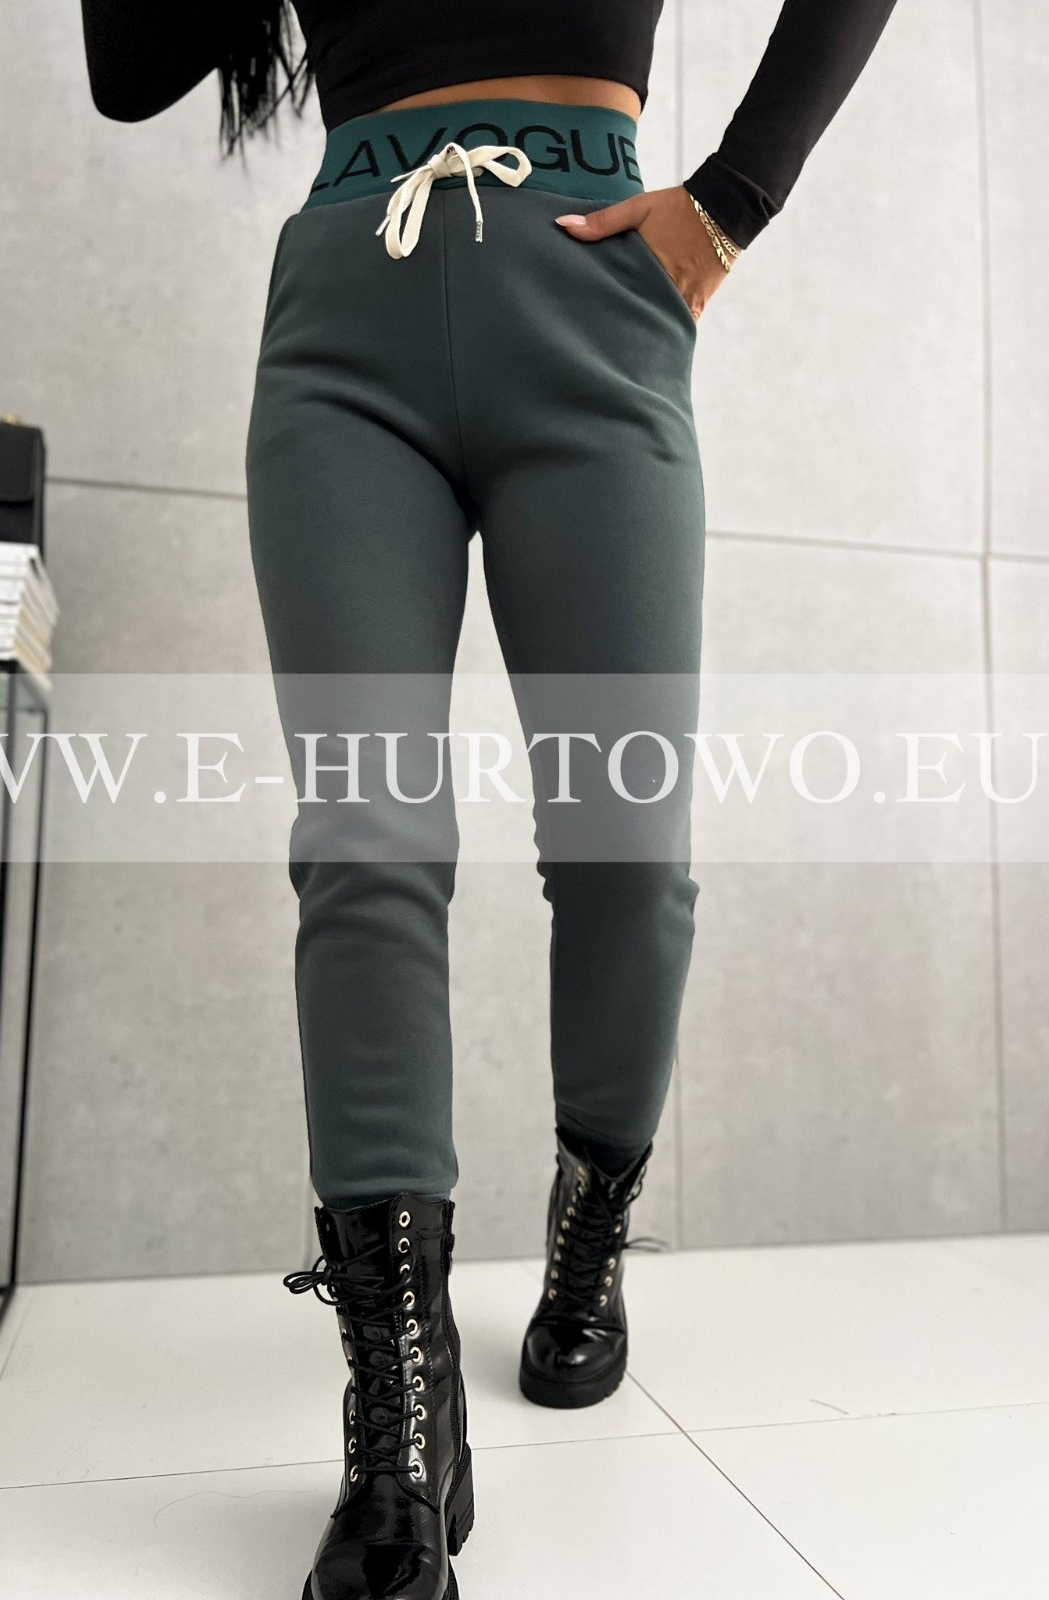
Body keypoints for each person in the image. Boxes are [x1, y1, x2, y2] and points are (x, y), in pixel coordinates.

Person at [81, 5, 899, 1596]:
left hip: (593, 283)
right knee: (365, 843)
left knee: (623, 848)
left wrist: (733, 199)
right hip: (349, 309)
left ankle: (591, 1227)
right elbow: (130, 72)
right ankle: (397, 1417)